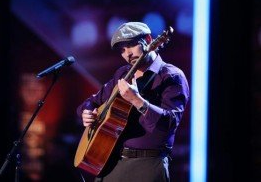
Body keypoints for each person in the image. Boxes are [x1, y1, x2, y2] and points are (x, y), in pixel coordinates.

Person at [76, 22, 189, 182]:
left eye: (131, 45)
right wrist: (86, 113)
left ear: (149, 40)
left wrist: (137, 100)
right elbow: (91, 102)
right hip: (111, 163)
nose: (127, 54)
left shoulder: (171, 76)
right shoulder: (123, 73)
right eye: (122, 50)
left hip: (147, 166)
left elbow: (169, 124)